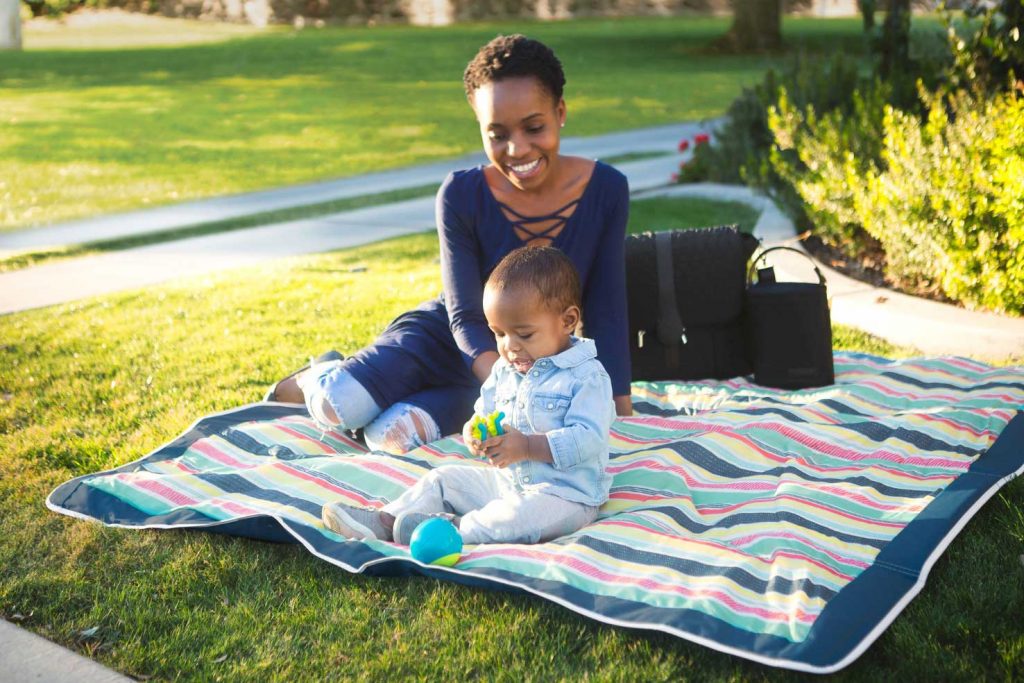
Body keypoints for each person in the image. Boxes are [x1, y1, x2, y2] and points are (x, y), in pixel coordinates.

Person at [269, 33, 631, 453]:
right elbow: (462, 316)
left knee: (391, 438)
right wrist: (510, 383)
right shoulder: (460, 194)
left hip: (522, 364)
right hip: (449, 345)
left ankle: (396, 398)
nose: (517, 149)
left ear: (561, 112)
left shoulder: (606, 189)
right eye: (497, 134)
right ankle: (321, 373)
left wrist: (618, 407)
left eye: (534, 127)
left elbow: (606, 308)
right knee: (339, 406)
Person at [321, 246, 614, 545]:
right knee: (443, 480)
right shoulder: (505, 370)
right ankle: (388, 520)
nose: (509, 346)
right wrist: (474, 432)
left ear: (567, 321)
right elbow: (484, 411)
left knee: (517, 517)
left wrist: (527, 446)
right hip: (508, 483)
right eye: (499, 334)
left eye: (524, 334)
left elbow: (588, 437)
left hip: (565, 495)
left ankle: (451, 530)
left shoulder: (586, 377)